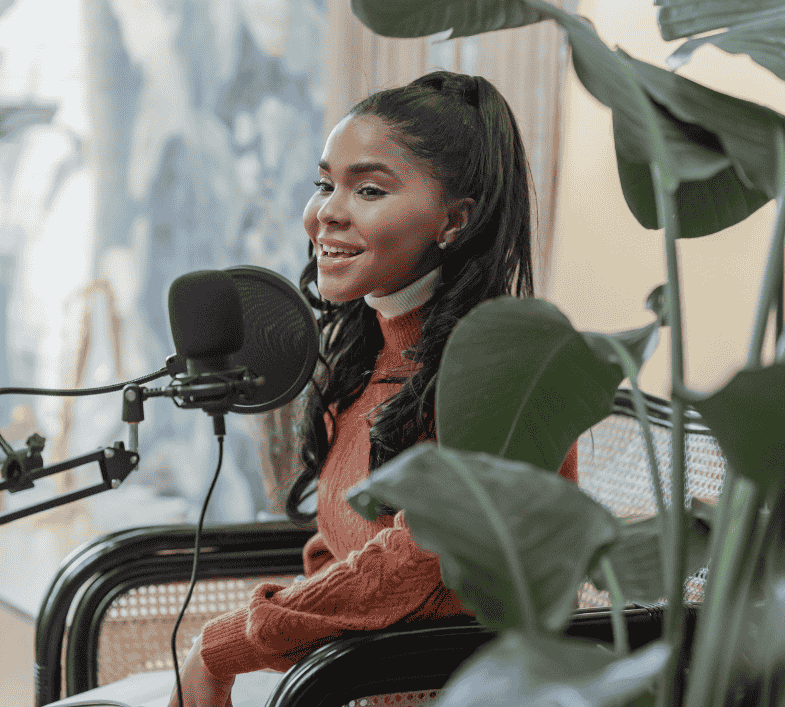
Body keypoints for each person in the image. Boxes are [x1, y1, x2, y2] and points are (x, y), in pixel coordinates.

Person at [168, 70, 579, 707]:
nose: (326, 212)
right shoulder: (364, 353)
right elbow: (341, 551)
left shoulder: (509, 365)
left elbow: (409, 567)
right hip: (350, 681)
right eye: (325, 184)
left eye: (368, 189)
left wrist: (226, 645)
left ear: (455, 220)